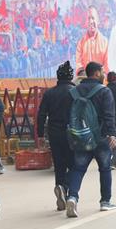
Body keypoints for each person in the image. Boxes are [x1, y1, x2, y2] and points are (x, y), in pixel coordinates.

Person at [65, 62, 116, 217]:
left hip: (81, 136)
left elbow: (68, 114)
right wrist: (112, 134)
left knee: (78, 168)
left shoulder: (74, 91)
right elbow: (109, 115)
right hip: (100, 137)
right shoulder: (104, 91)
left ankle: (72, 197)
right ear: (96, 73)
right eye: (102, 71)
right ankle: (105, 201)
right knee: (105, 168)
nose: (104, 74)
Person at [37, 61, 76, 211]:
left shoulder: (49, 93)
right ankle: (68, 192)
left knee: (59, 164)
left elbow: (41, 115)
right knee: (73, 164)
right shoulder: (75, 91)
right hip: (72, 133)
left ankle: (59, 186)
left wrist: (40, 134)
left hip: (54, 133)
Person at [75, 6, 108, 74]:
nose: (91, 21)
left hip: (100, 81)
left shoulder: (105, 42)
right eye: (88, 18)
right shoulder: (81, 43)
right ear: (86, 22)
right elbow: (79, 65)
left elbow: (107, 65)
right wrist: (86, 77)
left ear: (98, 20)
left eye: (93, 18)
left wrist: (98, 76)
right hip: (85, 81)